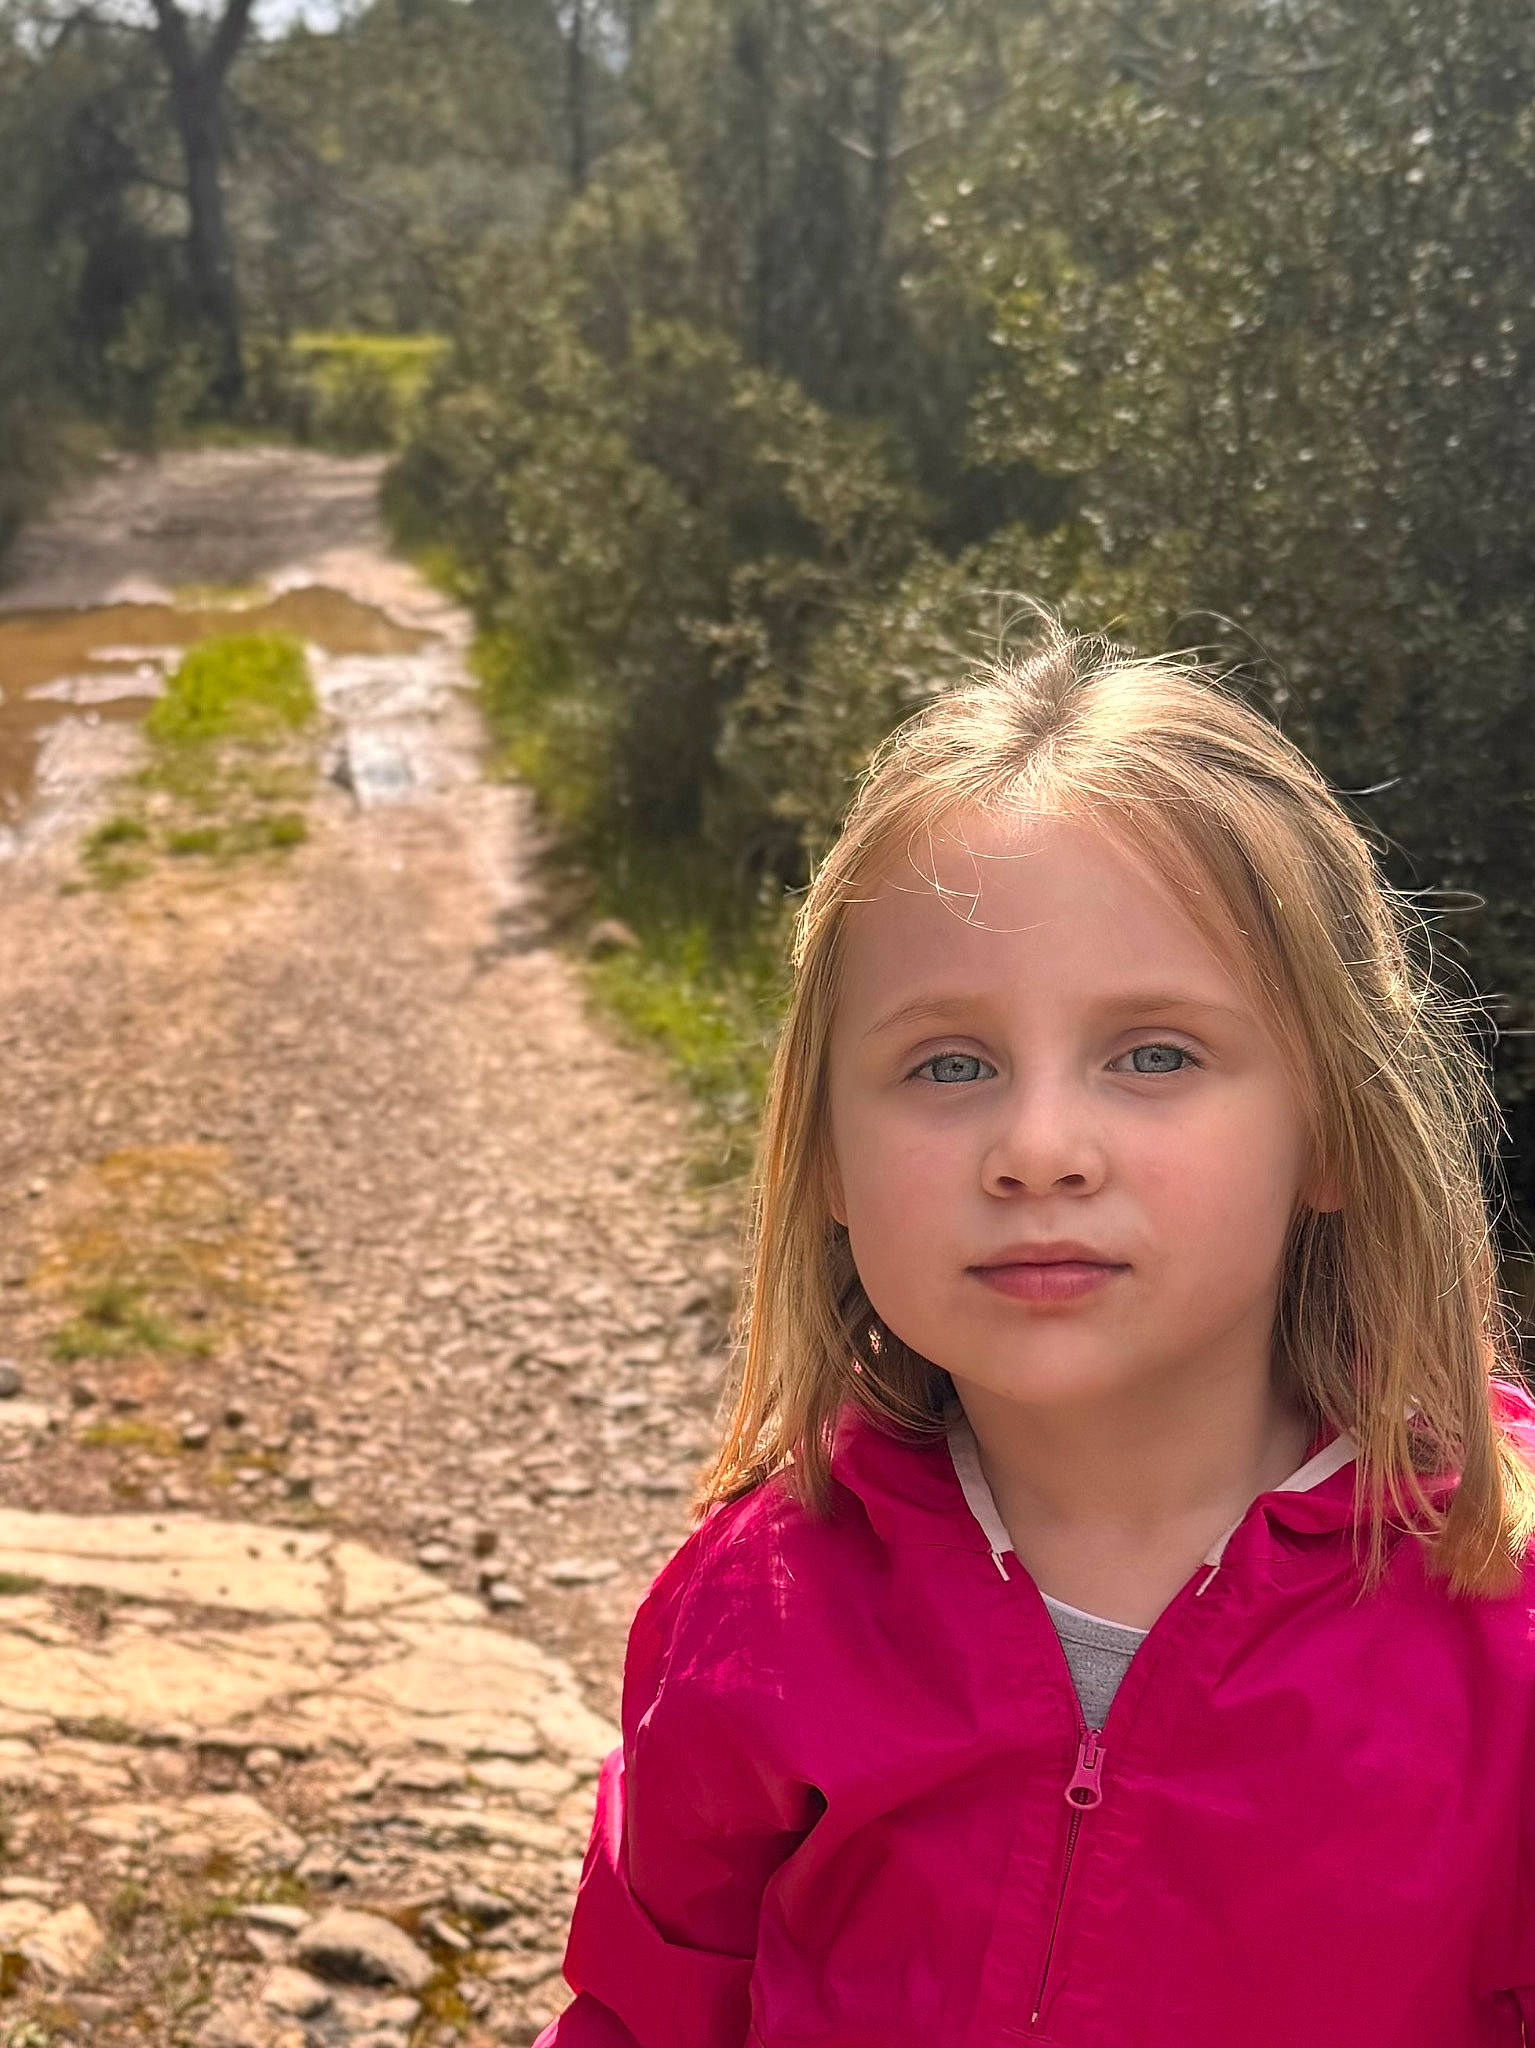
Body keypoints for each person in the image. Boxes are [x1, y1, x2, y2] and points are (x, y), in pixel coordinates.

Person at [535, 618, 1535, 2047]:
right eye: (949, 1063)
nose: (1041, 1147)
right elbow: (643, 2019)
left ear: (1335, 1132)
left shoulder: (1505, 1630)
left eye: (1155, 1055)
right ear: (823, 1153)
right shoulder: (754, 1607)